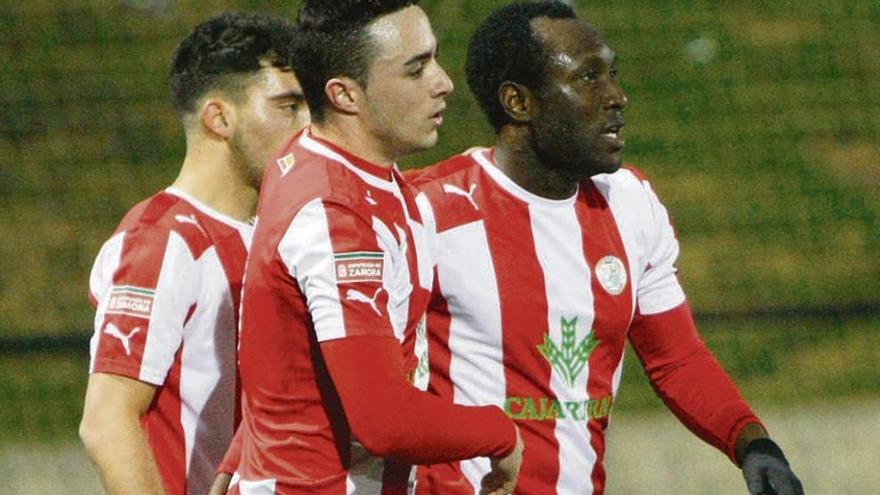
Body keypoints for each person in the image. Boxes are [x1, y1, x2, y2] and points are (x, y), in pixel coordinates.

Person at [406, 2, 804, 495]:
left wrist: (751, 443)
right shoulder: (426, 209)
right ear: (519, 103)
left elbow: (675, 357)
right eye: (588, 77)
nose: (617, 96)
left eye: (611, 73)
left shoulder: (630, 204)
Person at [226, 1, 524, 494]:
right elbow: (382, 418)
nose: (443, 82)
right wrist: (501, 433)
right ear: (344, 94)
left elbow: (282, 340)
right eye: (416, 69)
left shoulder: (317, 157)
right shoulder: (335, 215)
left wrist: (245, 448)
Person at [78, 12, 310, 495]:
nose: (307, 125)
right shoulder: (163, 241)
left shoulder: (275, 232)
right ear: (219, 118)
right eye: (288, 105)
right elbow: (107, 420)